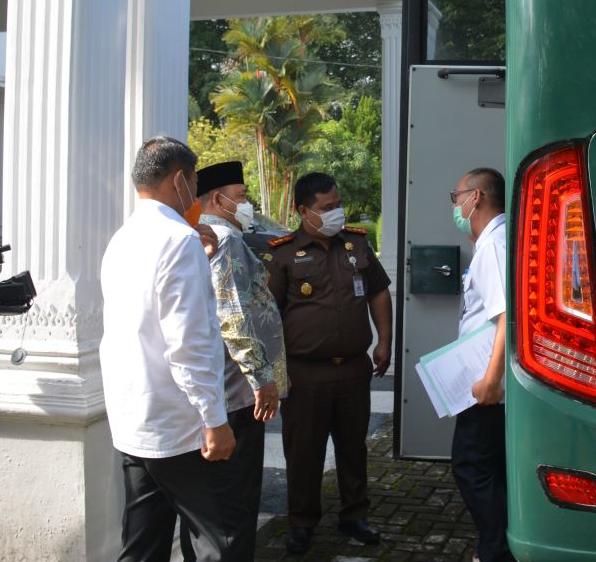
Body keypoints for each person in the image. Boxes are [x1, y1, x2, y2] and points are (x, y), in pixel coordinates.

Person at [100, 136, 248, 562]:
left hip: (136, 418)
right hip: (182, 424)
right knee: (222, 538)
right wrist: (215, 419)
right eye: (194, 181)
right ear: (181, 180)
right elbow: (190, 344)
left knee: (144, 540)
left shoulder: (123, 239)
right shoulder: (178, 240)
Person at [265, 172, 392, 554]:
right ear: (304, 210)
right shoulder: (282, 253)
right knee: (304, 451)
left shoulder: (355, 244)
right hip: (305, 373)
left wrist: (385, 339)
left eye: (338, 205)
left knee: (354, 447)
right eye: (327, 208)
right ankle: (302, 522)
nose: (336, 212)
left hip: (353, 368)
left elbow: (378, 292)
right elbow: (268, 316)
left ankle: (354, 516)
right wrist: (273, 375)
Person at [177, 160, 288, 561]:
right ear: (216, 199)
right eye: (240, 197)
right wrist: (263, 378)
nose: (247, 205)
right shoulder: (224, 237)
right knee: (235, 507)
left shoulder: (196, 235)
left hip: (214, 390)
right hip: (237, 394)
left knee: (206, 509)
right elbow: (234, 313)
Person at [449, 167, 513, 562]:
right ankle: (497, 545)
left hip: (488, 389)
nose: (454, 206)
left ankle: (498, 549)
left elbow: (508, 315)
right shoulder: (490, 240)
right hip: (483, 383)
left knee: (472, 467)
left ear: (476, 198)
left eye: (456, 197)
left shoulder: (496, 244)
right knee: (490, 468)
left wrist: (491, 378)